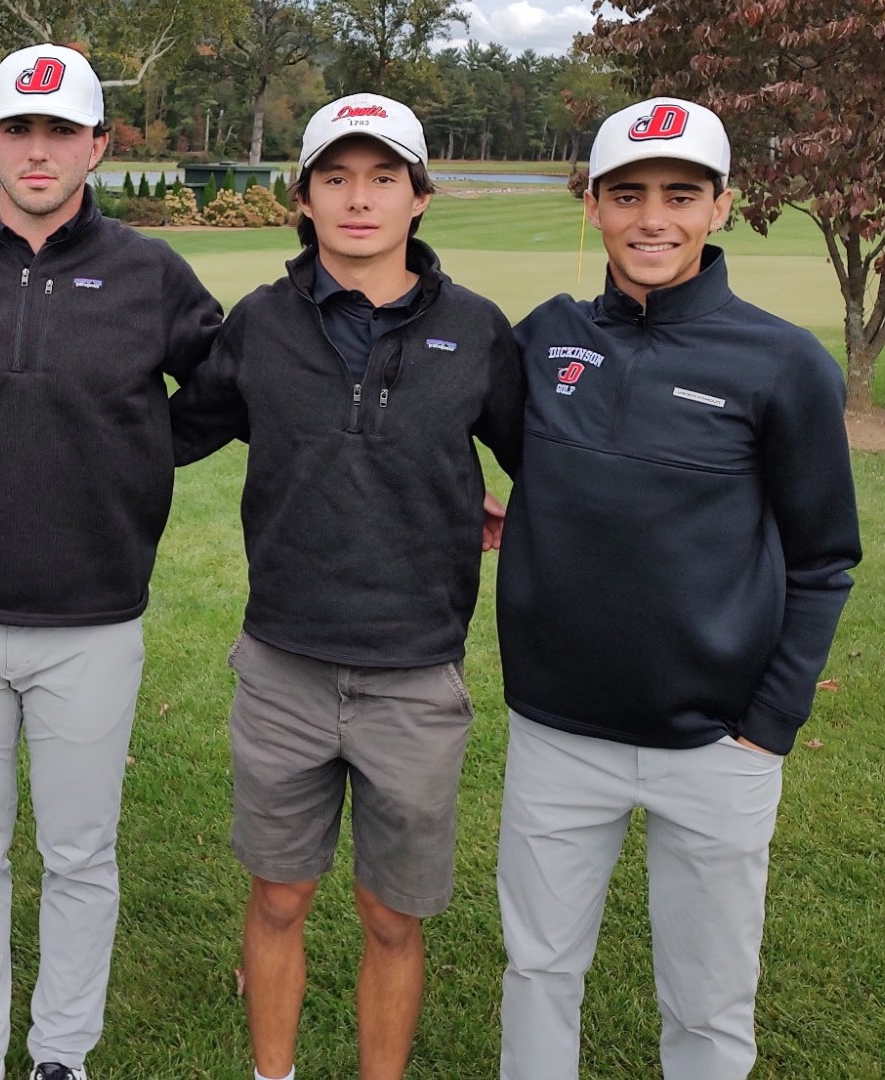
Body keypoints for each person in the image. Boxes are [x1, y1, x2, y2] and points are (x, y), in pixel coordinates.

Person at [0, 43, 224, 1080]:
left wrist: (142, 445)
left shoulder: (150, 271)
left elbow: (227, 382)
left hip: (93, 620)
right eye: (17, 128)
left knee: (78, 855)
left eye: (59, 130)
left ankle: (60, 1051)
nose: (36, 148)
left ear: (97, 145)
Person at [494, 97, 862, 1080]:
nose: (651, 218)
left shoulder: (783, 363)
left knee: (705, 1002)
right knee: (537, 971)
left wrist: (767, 727)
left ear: (720, 204)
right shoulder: (547, 337)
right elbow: (470, 441)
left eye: (679, 194)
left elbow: (824, 558)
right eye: (626, 194)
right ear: (593, 206)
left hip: (716, 745)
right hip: (555, 730)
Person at [168, 94, 524, 1080]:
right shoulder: (260, 325)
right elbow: (160, 435)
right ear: (305, 197)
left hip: (415, 675)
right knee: (278, 897)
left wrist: (509, 512)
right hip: (282, 664)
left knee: (390, 915)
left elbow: (550, 464)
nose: (358, 199)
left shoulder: (477, 331)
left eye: (381, 178)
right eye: (335, 177)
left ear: (419, 196)